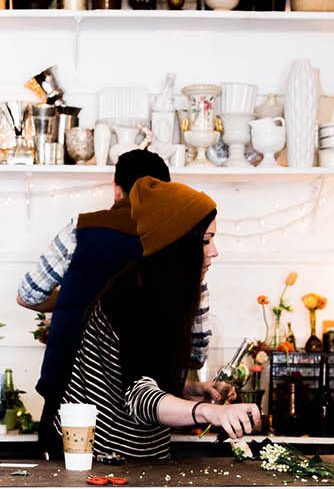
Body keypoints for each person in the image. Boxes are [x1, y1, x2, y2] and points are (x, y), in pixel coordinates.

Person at [61, 177, 260, 462]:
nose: (215, 251)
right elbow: (138, 397)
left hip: (143, 456)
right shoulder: (132, 298)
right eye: (205, 241)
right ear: (178, 246)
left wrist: (191, 390)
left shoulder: (167, 294)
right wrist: (210, 412)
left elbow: (142, 377)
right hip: (102, 460)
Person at [17, 151, 212, 395]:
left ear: (116, 188)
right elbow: (198, 347)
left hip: (67, 385)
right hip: (146, 398)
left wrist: (74, 297)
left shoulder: (81, 228)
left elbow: (27, 295)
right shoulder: (178, 240)